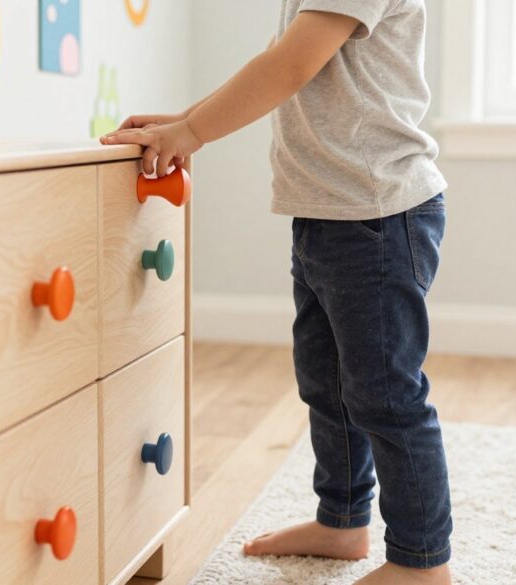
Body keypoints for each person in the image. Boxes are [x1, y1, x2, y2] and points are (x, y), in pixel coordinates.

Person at [100, 1, 452, 583]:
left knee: (386, 395)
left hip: (378, 214)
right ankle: (342, 520)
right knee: (328, 383)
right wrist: (185, 119)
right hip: (327, 211)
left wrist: (191, 130)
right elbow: (279, 61)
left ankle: (422, 563)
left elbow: (291, 65)